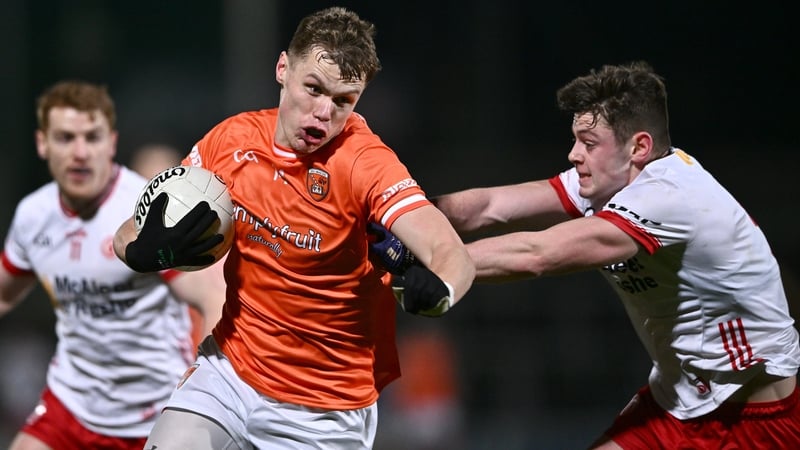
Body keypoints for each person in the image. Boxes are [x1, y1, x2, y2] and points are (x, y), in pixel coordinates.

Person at [372, 61, 800, 448]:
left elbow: (538, 253)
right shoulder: (608, 181)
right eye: (576, 140)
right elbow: (490, 206)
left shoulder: (671, 198)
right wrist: (400, 212)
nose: (574, 155)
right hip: (678, 402)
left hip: (757, 420)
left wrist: (428, 261)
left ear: (639, 148)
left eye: (589, 142)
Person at [112, 6, 475, 450]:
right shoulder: (231, 141)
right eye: (313, 88)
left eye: (343, 100)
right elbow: (129, 233)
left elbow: (449, 252)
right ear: (283, 68)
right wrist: (144, 251)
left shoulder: (365, 164)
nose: (323, 113)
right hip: (229, 373)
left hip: (324, 409)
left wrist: (440, 290)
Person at [0, 80, 226, 450]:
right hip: (70, 406)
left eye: (92, 137)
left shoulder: (146, 212)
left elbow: (212, 295)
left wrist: (211, 389)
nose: (80, 152)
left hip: (153, 412)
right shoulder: (33, 216)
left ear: (112, 143)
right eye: (65, 138)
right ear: (42, 144)